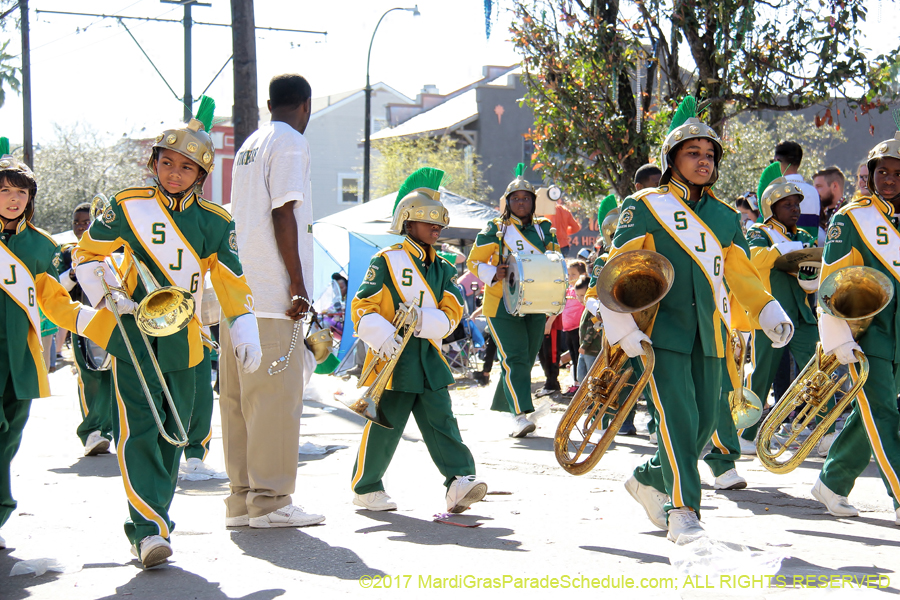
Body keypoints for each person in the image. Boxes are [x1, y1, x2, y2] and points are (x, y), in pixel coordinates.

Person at [74, 97, 263, 568]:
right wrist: (107, 295)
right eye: (166, 163)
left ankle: (156, 518)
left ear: (201, 175)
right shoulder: (126, 205)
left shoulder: (216, 222)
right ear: (153, 163)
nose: (174, 173)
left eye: (186, 167)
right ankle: (148, 531)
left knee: (172, 436)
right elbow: (86, 255)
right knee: (140, 431)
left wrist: (244, 327)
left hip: (187, 338)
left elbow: (233, 282)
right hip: (134, 334)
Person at [593, 97, 793, 542]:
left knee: (704, 426)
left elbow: (739, 272)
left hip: (713, 334)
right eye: (693, 153)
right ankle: (682, 510)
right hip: (660, 331)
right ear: (671, 161)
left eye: (709, 155)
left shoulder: (724, 216)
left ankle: (647, 476)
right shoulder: (645, 205)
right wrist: (619, 325)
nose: (703, 162)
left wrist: (766, 309)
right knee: (679, 421)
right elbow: (617, 266)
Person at [350, 167, 487, 513]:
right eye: (428, 221)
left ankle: (459, 481)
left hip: (428, 359)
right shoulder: (386, 260)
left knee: (443, 422)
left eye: (439, 223)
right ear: (407, 222)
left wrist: (423, 320)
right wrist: (382, 336)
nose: (436, 229)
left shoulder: (444, 268)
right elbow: (362, 306)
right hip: (392, 360)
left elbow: (453, 311)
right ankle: (366, 488)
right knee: (384, 428)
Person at [222, 75, 324, 531]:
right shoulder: (290, 142)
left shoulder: (251, 142)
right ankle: (272, 501)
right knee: (277, 402)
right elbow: (283, 211)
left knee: (240, 403)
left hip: (239, 295)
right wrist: (298, 285)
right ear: (306, 105)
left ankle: (242, 501)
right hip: (272, 296)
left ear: (268, 104)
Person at [0, 139, 97, 552]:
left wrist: (93, 320)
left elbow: (56, 302)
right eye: (4, 190)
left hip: (19, 357)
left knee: (9, 438)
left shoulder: (43, 247)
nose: (13, 199)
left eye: (20, 192)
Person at [811, 123, 900, 527]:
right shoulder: (852, 219)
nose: (890, 180)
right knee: (883, 414)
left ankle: (832, 481)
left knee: (874, 413)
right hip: (869, 335)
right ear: (871, 173)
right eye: (883, 172)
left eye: (899, 173)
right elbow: (831, 281)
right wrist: (837, 338)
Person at [734, 163, 824, 455]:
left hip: (802, 315)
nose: (795, 209)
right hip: (769, 315)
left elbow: (811, 276)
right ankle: (746, 435)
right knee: (761, 376)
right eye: (787, 205)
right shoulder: (758, 232)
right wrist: (787, 250)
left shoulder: (805, 237)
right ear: (772, 207)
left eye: (797, 204)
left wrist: (810, 276)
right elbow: (755, 259)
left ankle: (825, 432)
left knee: (818, 371)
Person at [467, 164, 561, 437]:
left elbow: (554, 262)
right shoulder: (496, 229)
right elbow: (474, 261)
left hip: (536, 303)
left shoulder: (545, 229)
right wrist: (491, 272)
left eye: (526, 198)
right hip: (501, 304)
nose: (521, 202)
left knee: (524, 359)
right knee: (515, 357)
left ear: (533, 202)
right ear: (508, 203)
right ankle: (519, 415)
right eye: (515, 198)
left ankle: (511, 405)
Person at [59, 202, 114, 456]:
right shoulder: (68, 253)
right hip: (84, 322)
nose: (81, 227)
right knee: (89, 377)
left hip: (113, 322)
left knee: (113, 379)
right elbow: (59, 289)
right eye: (77, 223)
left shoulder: (112, 250)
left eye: (86, 222)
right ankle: (92, 432)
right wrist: (72, 273)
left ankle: (109, 430)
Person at [773, 141, 820, 239]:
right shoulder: (813, 192)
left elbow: (764, 230)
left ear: (777, 161)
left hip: (782, 252)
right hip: (809, 250)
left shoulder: (774, 190)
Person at [813, 166, 846, 246]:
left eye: (819, 186)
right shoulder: (820, 214)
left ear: (834, 186)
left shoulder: (848, 214)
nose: (814, 191)